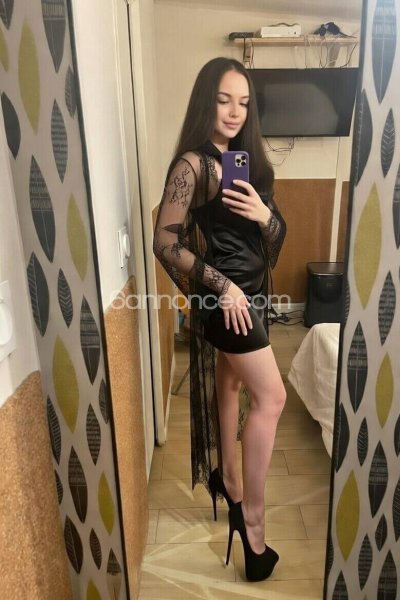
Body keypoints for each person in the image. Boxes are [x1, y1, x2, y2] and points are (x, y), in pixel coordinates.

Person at [153, 57, 287, 581]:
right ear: (205, 100)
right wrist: (222, 286)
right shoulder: (192, 164)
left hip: (250, 295)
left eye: (244, 102)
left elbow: (269, 236)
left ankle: (230, 483)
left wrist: (264, 215)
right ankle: (252, 525)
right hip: (226, 300)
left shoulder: (242, 160)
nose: (234, 112)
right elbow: (165, 242)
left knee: (230, 387)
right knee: (272, 398)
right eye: (224, 99)